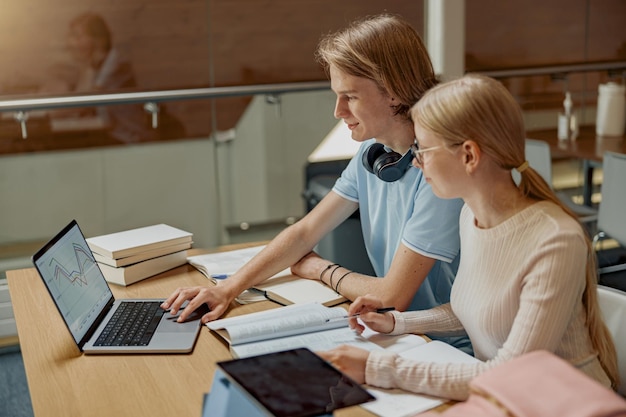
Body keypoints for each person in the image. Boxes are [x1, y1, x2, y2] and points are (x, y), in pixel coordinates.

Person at [162, 14, 468, 350]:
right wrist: (227, 289)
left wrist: (320, 269)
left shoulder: (439, 171)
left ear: (393, 92)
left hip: (447, 348)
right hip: (396, 335)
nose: (338, 111)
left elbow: (392, 295)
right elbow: (305, 232)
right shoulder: (375, 153)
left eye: (350, 96)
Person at [317, 74, 619, 400]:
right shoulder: (470, 217)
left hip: (565, 404)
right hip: (507, 401)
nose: (417, 164)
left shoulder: (556, 240)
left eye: (424, 150)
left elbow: (511, 374)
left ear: (469, 156)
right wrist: (396, 322)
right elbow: (472, 312)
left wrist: (378, 368)